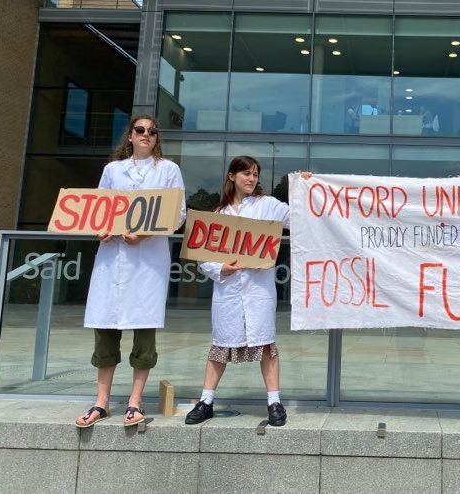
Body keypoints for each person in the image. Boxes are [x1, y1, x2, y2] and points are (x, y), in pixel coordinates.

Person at [76, 114, 185, 428]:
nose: (146, 135)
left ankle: (135, 402)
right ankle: (102, 402)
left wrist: (146, 233)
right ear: (130, 135)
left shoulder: (168, 170)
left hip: (148, 262)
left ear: (157, 138)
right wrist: (102, 229)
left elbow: (177, 212)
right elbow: (100, 208)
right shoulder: (113, 170)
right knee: (105, 331)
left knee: (144, 332)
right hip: (113, 259)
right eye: (140, 130)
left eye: (152, 131)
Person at [185, 156, 309, 426]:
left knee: (266, 346)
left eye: (255, 174)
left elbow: (300, 217)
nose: (251, 179)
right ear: (232, 176)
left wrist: (305, 188)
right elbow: (203, 257)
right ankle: (206, 401)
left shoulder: (269, 206)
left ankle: (274, 402)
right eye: (246, 174)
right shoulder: (219, 215)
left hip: (258, 292)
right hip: (228, 292)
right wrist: (221, 269)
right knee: (221, 347)